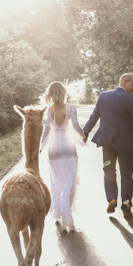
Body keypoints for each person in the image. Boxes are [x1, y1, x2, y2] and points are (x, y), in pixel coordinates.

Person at [82, 73, 133, 219]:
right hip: (126, 145)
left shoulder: (103, 96)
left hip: (107, 143)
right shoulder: (131, 100)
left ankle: (112, 198)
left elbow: (94, 116)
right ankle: (126, 204)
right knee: (126, 175)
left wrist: (85, 132)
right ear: (125, 82)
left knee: (108, 170)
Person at [40, 81, 85, 231]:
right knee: (69, 183)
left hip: (53, 149)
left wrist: (41, 146)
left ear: (50, 94)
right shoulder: (71, 108)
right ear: (64, 93)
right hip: (68, 147)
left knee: (56, 183)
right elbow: (76, 126)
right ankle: (66, 210)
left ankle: (58, 211)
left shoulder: (47, 111)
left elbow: (46, 131)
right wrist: (83, 137)